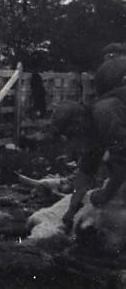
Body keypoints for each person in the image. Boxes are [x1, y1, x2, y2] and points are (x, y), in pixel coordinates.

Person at [50, 89, 126, 230]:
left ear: (78, 122)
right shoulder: (92, 129)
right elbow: (85, 172)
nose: (75, 141)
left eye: (72, 134)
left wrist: (106, 194)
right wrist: (72, 209)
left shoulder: (105, 114)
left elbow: (122, 161)